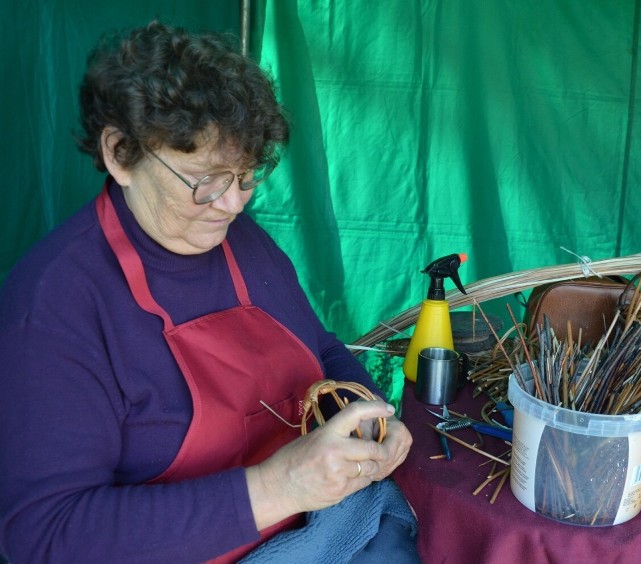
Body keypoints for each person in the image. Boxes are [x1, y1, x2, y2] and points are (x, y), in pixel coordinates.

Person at [0, 20, 416, 563]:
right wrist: (278, 487)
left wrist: (374, 415)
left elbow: (324, 350)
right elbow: (43, 535)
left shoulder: (245, 242)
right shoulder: (55, 304)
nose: (233, 204)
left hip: (322, 527)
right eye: (207, 180)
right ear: (121, 153)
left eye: (246, 175)